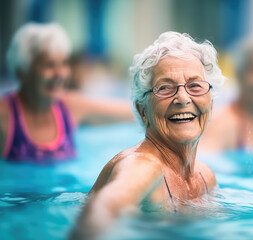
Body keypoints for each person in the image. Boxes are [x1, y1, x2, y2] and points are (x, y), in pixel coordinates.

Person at [70, 31, 225, 239]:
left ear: (211, 104)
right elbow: (103, 209)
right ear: (143, 110)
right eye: (165, 88)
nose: (182, 97)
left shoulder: (206, 177)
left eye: (195, 86)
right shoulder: (143, 167)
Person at [0, 23, 133, 163]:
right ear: (22, 72)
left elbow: (134, 111)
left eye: (64, 63)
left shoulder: (69, 107)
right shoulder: (4, 116)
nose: (60, 74)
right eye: (49, 65)